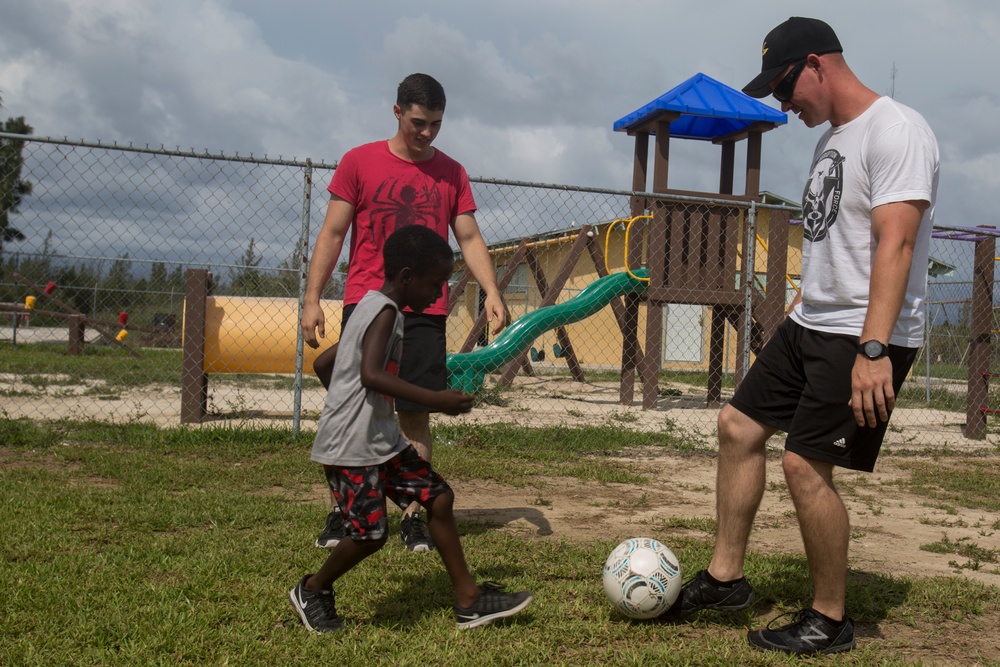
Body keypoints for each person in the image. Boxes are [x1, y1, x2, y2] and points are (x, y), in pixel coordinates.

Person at [663, 17, 939, 656]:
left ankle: (830, 617)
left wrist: (874, 350)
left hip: (862, 334)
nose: (785, 105)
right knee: (738, 426)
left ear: (817, 63)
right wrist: (799, 305)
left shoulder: (897, 129)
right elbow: (831, 236)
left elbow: (895, 242)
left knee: (803, 465)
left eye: (786, 88)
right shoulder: (834, 139)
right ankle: (727, 578)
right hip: (813, 321)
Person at [290, 225, 532, 633]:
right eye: (436, 283)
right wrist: (435, 399)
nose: (440, 293)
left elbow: (325, 365)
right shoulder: (385, 313)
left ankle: (469, 599)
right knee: (370, 536)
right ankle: (313, 589)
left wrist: (347, 402)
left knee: (439, 499)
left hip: (380, 439)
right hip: (350, 446)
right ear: (406, 277)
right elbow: (369, 374)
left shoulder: (371, 305)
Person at [301, 73, 506, 553]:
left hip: (425, 310)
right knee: (354, 410)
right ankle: (344, 511)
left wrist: (492, 289)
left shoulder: (452, 172)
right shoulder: (358, 161)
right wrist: (311, 300)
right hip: (367, 303)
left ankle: (413, 516)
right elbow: (332, 234)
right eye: (419, 122)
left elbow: (470, 237)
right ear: (397, 112)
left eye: (436, 123)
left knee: (416, 411)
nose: (427, 133)